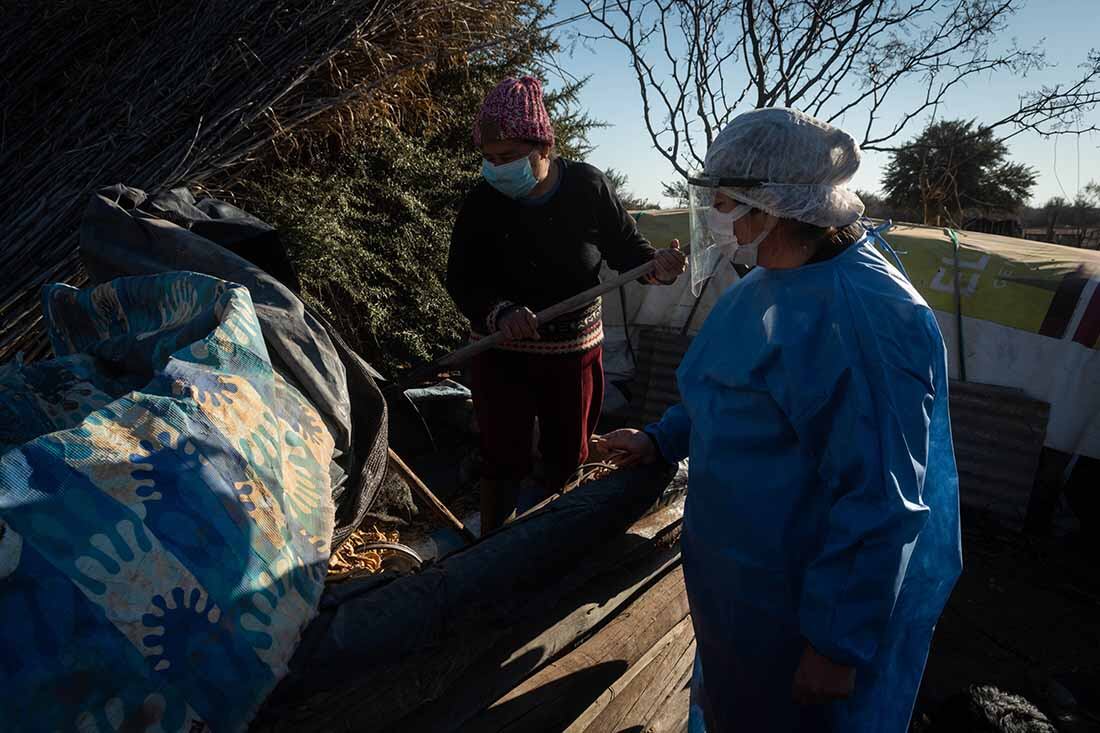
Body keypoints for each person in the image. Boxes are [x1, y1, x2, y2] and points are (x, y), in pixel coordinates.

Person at [601, 107, 963, 732]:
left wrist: (835, 645)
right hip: (746, 591)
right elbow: (726, 388)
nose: (713, 214)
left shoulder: (867, 317)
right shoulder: (768, 281)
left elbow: (880, 495)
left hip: (804, 608)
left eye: (722, 201)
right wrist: (662, 439)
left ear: (770, 207)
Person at [446, 76, 685, 533]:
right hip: (500, 351)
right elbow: (462, 278)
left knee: (566, 451)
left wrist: (658, 266)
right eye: (490, 160)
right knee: (503, 455)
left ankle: (555, 536)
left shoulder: (587, 187)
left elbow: (628, 253)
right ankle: (492, 543)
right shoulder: (481, 201)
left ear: (544, 148)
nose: (497, 169)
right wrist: (500, 312)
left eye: (509, 158)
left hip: (572, 353)